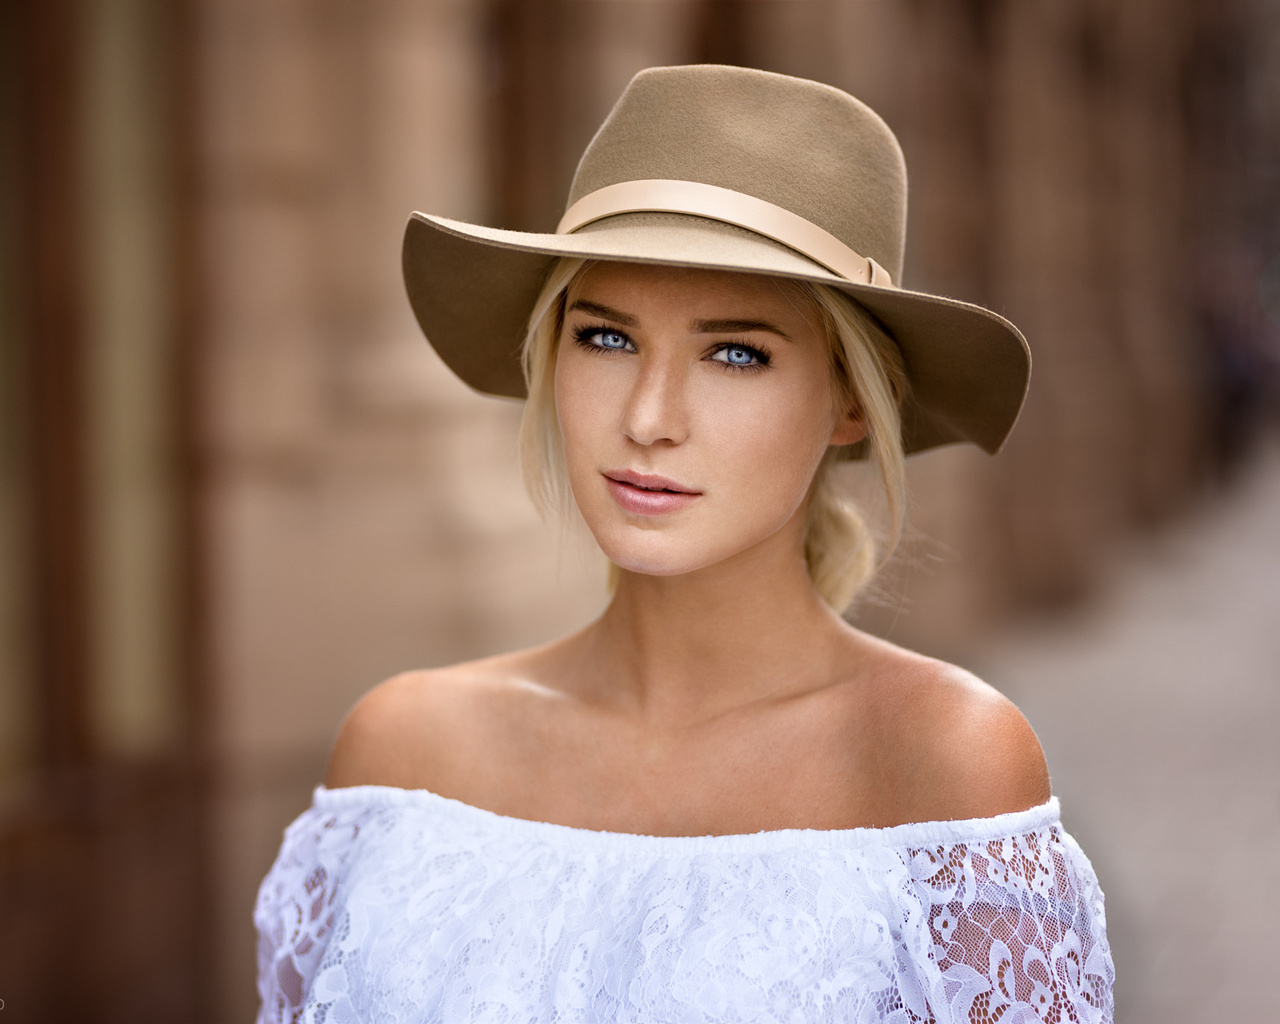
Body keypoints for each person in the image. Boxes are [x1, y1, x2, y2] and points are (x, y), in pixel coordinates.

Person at [255, 65, 1114, 1023]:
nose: (649, 418)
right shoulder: (403, 757)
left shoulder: (942, 759)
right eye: (606, 339)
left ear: (847, 402)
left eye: (736, 353)